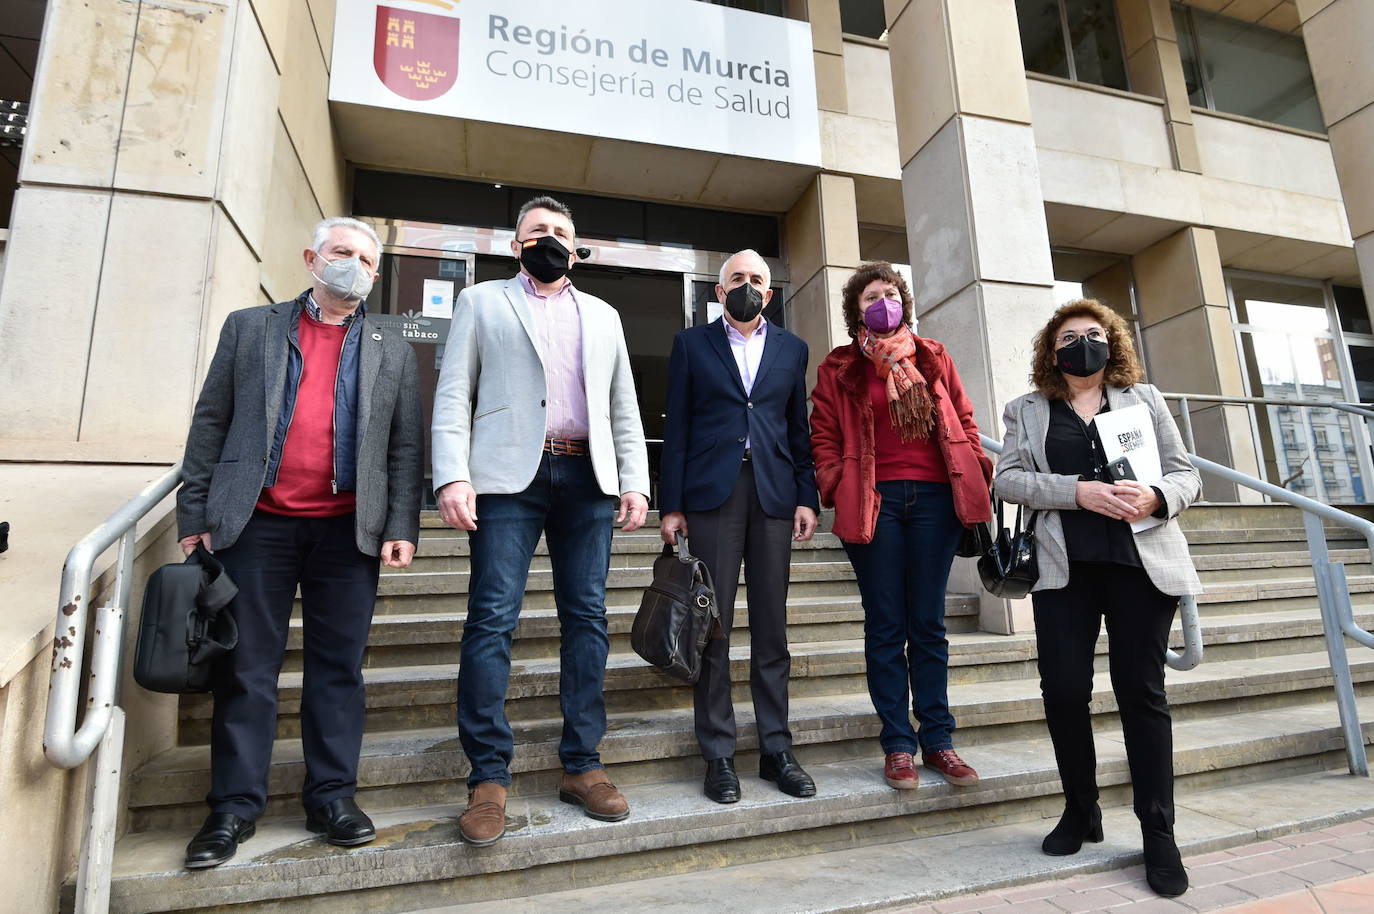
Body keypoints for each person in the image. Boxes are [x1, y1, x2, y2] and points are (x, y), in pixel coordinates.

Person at [175, 217, 423, 869]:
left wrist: (401, 525)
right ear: (312, 258)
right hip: (256, 524)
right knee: (246, 670)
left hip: (349, 531)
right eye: (343, 253)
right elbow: (210, 422)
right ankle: (232, 808)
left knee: (338, 672)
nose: (356, 267)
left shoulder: (392, 347)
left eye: (368, 260)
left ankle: (332, 797)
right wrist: (192, 511)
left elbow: (403, 447)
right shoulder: (248, 328)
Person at [432, 195, 650, 846]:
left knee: (586, 618)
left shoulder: (605, 316)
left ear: (576, 249)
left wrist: (635, 481)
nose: (548, 239)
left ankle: (581, 765)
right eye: (537, 232)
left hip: (587, 478)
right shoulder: (481, 303)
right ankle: (488, 778)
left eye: (559, 232)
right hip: (506, 479)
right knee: (492, 617)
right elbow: (452, 393)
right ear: (515, 244)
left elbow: (623, 406)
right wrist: (453, 473)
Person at [994, 299, 1202, 898]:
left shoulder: (1146, 399)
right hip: (1065, 570)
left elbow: (1186, 474)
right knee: (1062, 691)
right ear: (1051, 350)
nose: (1081, 343)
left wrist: (1158, 498)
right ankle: (1081, 809)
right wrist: (1075, 492)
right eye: (1068, 337)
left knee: (1141, 694)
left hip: (1141, 565)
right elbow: (1006, 478)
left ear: (1111, 342)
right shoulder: (1027, 410)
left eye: (1092, 334)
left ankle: (1158, 832)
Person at [809, 262, 993, 794]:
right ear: (856, 309)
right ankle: (897, 744)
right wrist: (835, 482)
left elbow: (964, 417)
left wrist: (977, 465)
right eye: (872, 295)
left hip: (936, 498)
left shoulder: (932, 355)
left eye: (891, 293)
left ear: (904, 302)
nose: (883, 301)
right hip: (874, 501)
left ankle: (939, 740)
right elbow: (821, 433)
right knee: (886, 625)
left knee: (928, 625)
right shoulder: (840, 366)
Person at [659, 249, 820, 804]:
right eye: (736, 279)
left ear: (769, 295)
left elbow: (798, 430)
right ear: (719, 290)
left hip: (774, 495)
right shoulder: (690, 345)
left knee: (772, 629)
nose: (747, 286)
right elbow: (676, 426)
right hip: (710, 497)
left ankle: (777, 748)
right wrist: (670, 506)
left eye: (757, 279)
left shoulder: (792, 350)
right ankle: (719, 754)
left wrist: (808, 496)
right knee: (714, 627)